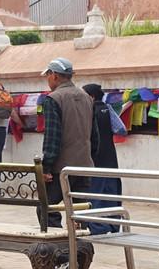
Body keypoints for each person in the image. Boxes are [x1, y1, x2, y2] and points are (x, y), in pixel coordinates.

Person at [39, 57, 95, 225]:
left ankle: (59, 248)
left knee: (47, 208)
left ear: (54, 75)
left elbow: (53, 138)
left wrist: (46, 166)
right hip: (84, 166)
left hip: (61, 168)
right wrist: (89, 160)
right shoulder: (86, 98)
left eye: (48, 75)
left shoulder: (53, 99)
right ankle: (80, 248)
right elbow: (95, 137)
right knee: (79, 211)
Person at [83, 83, 123, 235]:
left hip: (94, 158)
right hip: (110, 157)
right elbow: (121, 129)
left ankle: (97, 227)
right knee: (111, 192)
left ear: (91, 97)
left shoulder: (87, 111)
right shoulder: (108, 109)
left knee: (95, 193)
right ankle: (113, 225)